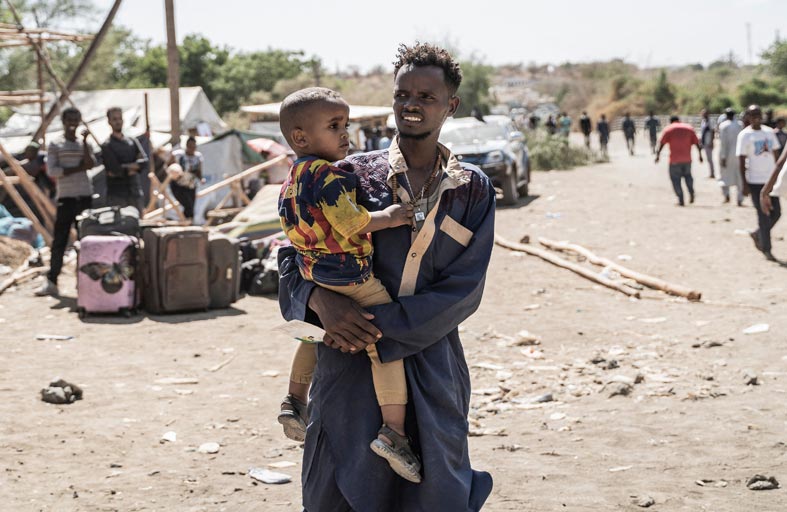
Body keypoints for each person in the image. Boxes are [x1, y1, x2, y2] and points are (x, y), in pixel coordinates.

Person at [277, 42, 495, 512]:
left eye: (426, 96)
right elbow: (293, 257)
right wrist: (319, 301)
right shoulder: (348, 174)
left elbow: (465, 289)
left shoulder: (472, 190)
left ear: (451, 105)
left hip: (432, 362)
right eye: (403, 94)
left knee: (436, 488)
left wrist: (382, 327)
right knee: (339, 488)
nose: (412, 104)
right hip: (346, 359)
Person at [276, 87, 419, 482]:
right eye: (334, 126)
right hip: (350, 274)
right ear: (301, 137)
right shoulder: (327, 174)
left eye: (345, 124)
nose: (345, 134)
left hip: (313, 272)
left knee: (312, 335)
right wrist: (391, 216)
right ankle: (394, 433)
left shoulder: (291, 178)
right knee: (384, 345)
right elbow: (352, 222)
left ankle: (293, 401)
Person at [35, 107, 95, 297]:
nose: (73, 124)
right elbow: (53, 171)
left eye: (76, 120)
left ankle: (84, 282)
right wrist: (79, 168)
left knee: (85, 241)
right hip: (66, 198)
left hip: (84, 197)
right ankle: (52, 281)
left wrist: (84, 143)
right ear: (63, 121)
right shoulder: (56, 144)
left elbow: (91, 164)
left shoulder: (84, 144)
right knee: (60, 241)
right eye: (70, 120)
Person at [736, 105, 782, 260]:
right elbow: (741, 161)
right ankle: (766, 248)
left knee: (776, 213)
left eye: (758, 114)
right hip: (755, 182)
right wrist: (744, 184)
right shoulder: (744, 135)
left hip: (771, 182)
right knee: (763, 215)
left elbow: (776, 156)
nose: (756, 117)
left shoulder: (769, 132)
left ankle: (758, 233)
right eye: (753, 114)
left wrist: (778, 176)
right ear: (748, 117)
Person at [100, 107, 148, 212]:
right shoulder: (107, 145)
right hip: (117, 194)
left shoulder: (132, 141)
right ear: (109, 121)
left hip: (134, 192)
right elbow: (115, 169)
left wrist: (125, 167)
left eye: (120, 118)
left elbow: (144, 162)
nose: (118, 122)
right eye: (114, 119)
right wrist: (133, 167)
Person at [655, 116, 703, 206]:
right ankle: (691, 191)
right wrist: (700, 155)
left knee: (675, 179)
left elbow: (661, 143)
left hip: (674, 160)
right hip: (687, 159)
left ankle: (681, 199)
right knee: (688, 176)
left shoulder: (669, 129)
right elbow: (697, 143)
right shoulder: (689, 128)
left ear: (671, 121)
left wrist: (658, 155)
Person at [167, 137, 204, 222]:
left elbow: (199, 171)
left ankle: (188, 221)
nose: (191, 149)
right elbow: (169, 165)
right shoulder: (178, 155)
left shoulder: (198, 157)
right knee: (186, 204)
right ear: (186, 146)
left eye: (193, 147)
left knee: (191, 205)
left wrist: (201, 179)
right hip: (178, 184)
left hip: (190, 185)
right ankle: (185, 220)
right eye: (190, 146)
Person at [718, 108, 744, 205]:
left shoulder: (724, 125)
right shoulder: (740, 124)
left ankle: (726, 195)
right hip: (739, 153)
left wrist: (723, 157)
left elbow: (723, 143)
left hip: (728, 154)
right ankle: (740, 198)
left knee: (724, 175)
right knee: (739, 176)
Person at [700, 109, 716, 178]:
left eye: (705, 113)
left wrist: (711, 142)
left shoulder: (710, 121)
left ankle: (712, 173)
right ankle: (711, 173)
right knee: (708, 158)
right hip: (704, 142)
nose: (703, 115)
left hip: (708, 142)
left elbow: (713, 132)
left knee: (710, 159)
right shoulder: (703, 121)